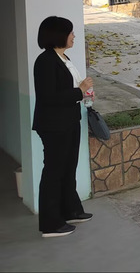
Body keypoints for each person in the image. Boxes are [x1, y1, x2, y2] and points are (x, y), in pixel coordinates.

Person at [32, 16, 94, 238]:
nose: (73, 36)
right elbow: (48, 97)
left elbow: (68, 89)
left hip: (69, 120)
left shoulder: (63, 58)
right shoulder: (46, 61)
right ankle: (51, 224)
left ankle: (71, 211)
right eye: (70, 32)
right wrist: (80, 91)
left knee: (68, 168)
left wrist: (84, 93)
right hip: (54, 125)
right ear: (58, 35)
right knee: (54, 172)